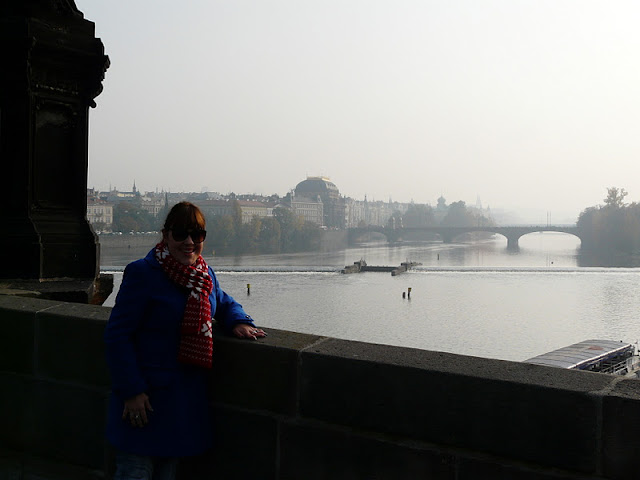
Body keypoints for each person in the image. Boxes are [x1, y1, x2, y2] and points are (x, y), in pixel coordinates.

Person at [104, 201, 266, 479]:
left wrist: (239, 320)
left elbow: (224, 302)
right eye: (180, 234)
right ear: (166, 235)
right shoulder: (142, 273)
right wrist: (131, 391)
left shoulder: (204, 275)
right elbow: (117, 335)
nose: (189, 242)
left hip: (182, 406)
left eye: (197, 234)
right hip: (145, 402)